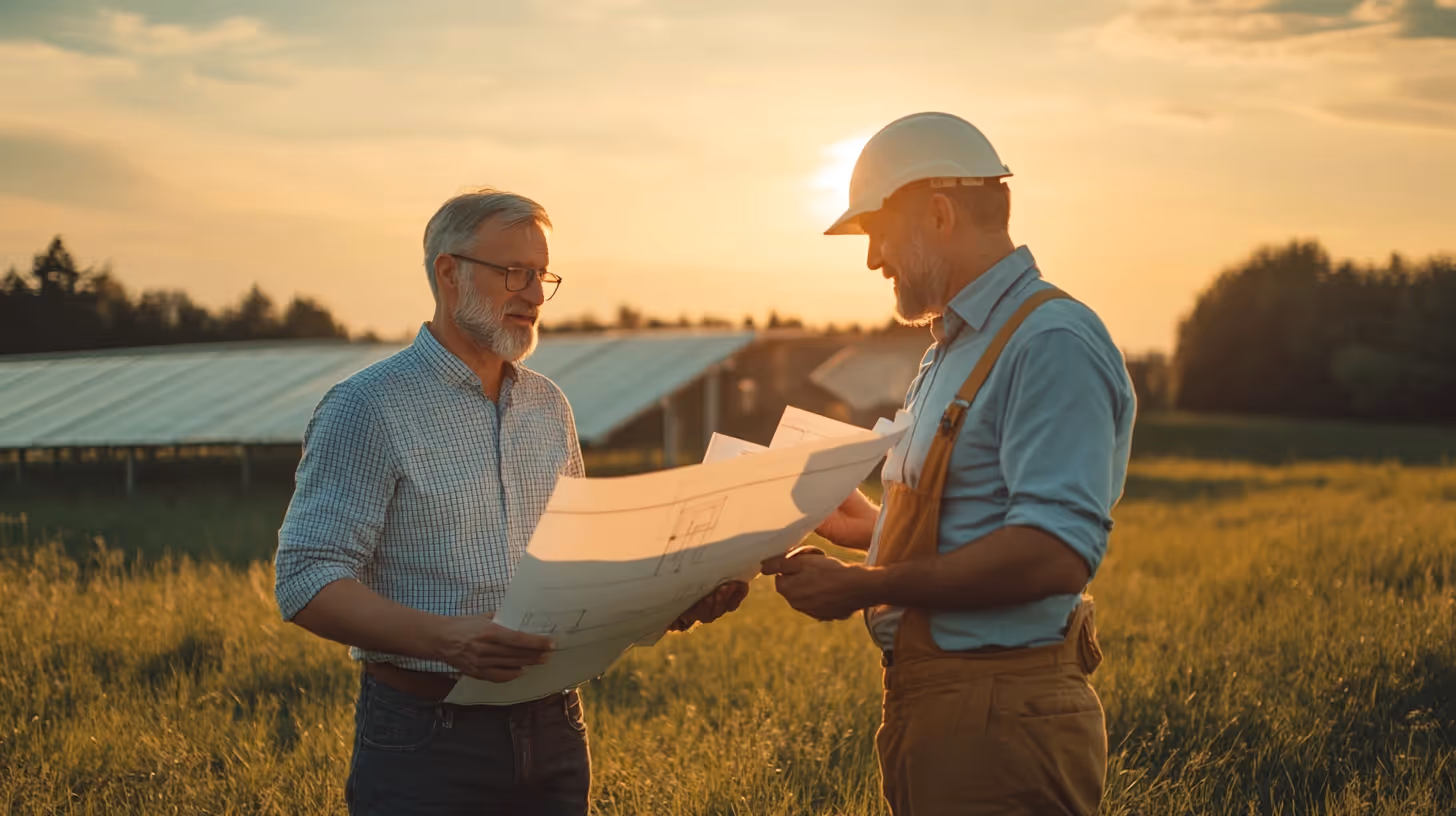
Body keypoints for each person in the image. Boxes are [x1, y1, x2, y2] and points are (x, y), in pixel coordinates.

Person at [273, 187, 748, 815]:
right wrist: (448, 640)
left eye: (541, 277)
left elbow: (578, 565)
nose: (531, 295)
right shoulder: (368, 406)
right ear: (450, 273)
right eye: (514, 273)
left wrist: (673, 599)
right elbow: (306, 576)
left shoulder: (549, 408)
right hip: (425, 736)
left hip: (555, 727)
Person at [761, 113, 1136, 816]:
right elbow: (978, 518)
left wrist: (862, 586)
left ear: (938, 214)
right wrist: (870, 528)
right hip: (940, 710)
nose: (874, 258)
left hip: (1002, 718)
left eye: (878, 230)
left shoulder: (1051, 341)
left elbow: (1053, 555)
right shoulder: (950, 349)